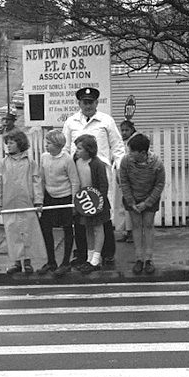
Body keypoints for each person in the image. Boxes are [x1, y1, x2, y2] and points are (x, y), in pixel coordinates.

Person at [62, 87, 125, 267]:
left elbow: (117, 147)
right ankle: (83, 254)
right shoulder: (71, 122)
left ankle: (107, 253)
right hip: (78, 173)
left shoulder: (106, 121)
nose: (87, 106)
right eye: (84, 102)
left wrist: (119, 168)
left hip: (100, 173)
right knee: (81, 214)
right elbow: (66, 149)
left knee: (101, 213)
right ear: (79, 103)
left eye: (91, 102)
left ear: (97, 103)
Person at [0, 128, 45, 274]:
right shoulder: (4, 163)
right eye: (7, 143)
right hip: (10, 203)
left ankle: (27, 262)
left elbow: (36, 181)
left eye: (11, 143)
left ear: (20, 143)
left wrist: (38, 201)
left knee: (28, 232)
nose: (8, 146)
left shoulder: (30, 162)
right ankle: (16, 262)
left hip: (26, 202)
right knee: (13, 233)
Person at [119, 132, 166, 276]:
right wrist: (131, 201)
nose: (130, 153)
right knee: (136, 225)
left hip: (150, 197)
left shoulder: (156, 163)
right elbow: (124, 181)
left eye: (133, 151)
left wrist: (147, 203)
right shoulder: (126, 161)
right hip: (132, 197)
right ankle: (139, 258)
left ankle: (149, 259)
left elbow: (159, 184)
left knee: (148, 224)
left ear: (143, 152)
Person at [38, 129, 80, 276]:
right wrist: (41, 199)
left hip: (65, 197)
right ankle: (51, 261)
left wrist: (74, 203)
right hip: (50, 197)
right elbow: (42, 179)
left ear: (57, 145)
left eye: (49, 143)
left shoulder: (67, 159)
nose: (46, 146)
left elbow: (74, 181)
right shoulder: (44, 157)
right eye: (46, 143)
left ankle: (65, 262)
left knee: (67, 228)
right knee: (45, 227)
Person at [72, 133, 111, 274]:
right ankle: (89, 257)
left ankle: (96, 258)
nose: (77, 151)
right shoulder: (76, 160)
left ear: (89, 150)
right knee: (87, 228)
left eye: (80, 148)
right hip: (84, 201)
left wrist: (99, 202)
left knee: (98, 228)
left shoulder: (97, 164)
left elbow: (103, 185)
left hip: (96, 201)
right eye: (76, 148)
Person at [115, 119, 137, 242]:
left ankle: (133, 231)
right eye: (122, 130)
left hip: (131, 176)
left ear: (132, 129)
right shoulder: (121, 142)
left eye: (126, 130)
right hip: (121, 174)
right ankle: (126, 231)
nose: (123, 133)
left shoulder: (135, 142)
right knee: (122, 204)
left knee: (130, 204)